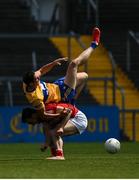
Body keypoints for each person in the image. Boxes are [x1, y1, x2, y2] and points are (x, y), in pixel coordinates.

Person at [22, 27, 101, 120]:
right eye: (37, 79)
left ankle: (73, 101)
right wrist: (59, 115)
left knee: (85, 76)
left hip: (57, 84)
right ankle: (94, 44)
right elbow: (43, 115)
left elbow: (42, 70)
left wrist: (53, 63)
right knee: (73, 64)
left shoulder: (27, 81)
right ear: (31, 83)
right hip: (63, 93)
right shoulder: (36, 99)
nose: (38, 78)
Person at [22, 102, 88, 160]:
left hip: (79, 119)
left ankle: (60, 155)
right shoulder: (43, 119)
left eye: (30, 122)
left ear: (33, 115)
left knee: (54, 132)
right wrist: (46, 144)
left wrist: (61, 127)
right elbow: (47, 131)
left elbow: (69, 111)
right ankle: (54, 154)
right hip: (73, 119)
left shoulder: (47, 111)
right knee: (50, 131)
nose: (32, 125)